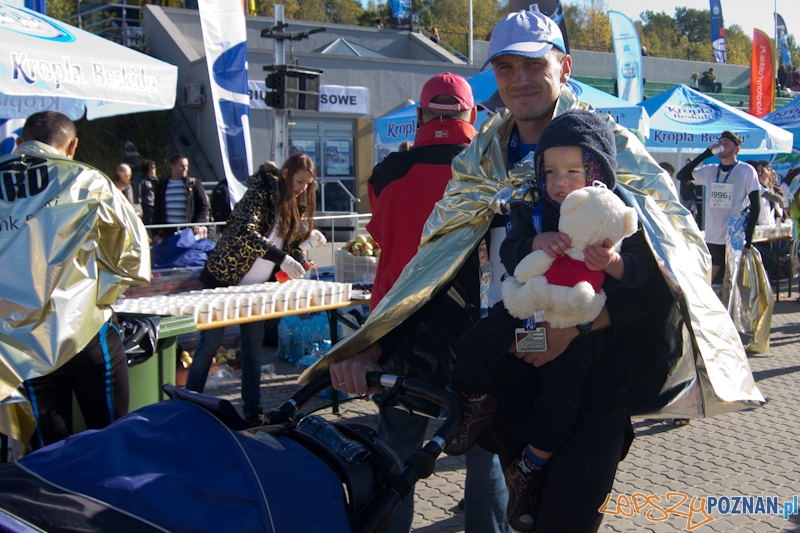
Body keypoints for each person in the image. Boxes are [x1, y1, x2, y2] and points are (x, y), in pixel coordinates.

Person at [311, 10, 746, 533]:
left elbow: (662, 270)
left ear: (563, 66)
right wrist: (376, 343)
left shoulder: (608, 149)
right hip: (512, 381)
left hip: (591, 385)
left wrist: (578, 328)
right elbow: (436, 268)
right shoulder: (480, 161)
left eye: (533, 65)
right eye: (505, 67)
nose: (519, 80)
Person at [445, 109, 660, 531]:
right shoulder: (531, 209)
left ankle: (531, 466)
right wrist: (534, 243)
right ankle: (471, 403)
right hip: (526, 324)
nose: (561, 182)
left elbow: (646, 284)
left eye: (573, 171)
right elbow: (510, 254)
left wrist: (612, 265)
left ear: (596, 172)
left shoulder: (617, 216)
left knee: (560, 405)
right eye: (551, 171)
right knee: (475, 343)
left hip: (592, 374)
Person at [330, 72, 511, 533]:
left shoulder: (387, 173)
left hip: (402, 336)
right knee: (484, 455)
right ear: (471, 114)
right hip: (479, 333)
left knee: (397, 455)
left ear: (420, 115)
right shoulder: (494, 170)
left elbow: (383, 240)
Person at [1, 111, 149, 449]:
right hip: (85, 331)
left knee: (49, 458)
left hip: (21, 346)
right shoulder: (86, 179)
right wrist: (101, 292)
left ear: (20, 142)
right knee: (111, 441)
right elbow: (133, 254)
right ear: (73, 146)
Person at [186, 154, 326, 424]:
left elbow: (286, 247)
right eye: (299, 181)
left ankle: (253, 410)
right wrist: (283, 258)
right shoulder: (260, 191)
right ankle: (190, 404)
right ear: (285, 174)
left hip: (256, 288)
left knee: (253, 349)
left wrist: (305, 245)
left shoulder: (293, 203)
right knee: (209, 346)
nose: (303, 189)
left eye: (308, 184)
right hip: (223, 281)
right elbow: (244, 233)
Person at [677, 131, 760, 284]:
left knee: (729, 281)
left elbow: (756, 206)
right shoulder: (710, 170)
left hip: (732, 235)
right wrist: (705, 154)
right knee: (712, 279)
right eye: (720, 142)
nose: (721, 146)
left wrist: (748, 240)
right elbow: (681, 176)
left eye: (726, 143)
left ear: (736, 149)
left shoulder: (747, 170)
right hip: (712, 233)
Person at [152, 153, 209, 242]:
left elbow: (204, 206)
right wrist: (155, 232)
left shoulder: (194, 184)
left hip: (188, 232)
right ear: (172, 166)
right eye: (182, 166)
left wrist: (197, 223)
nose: (185, 168)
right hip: (168, 232)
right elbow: (157, 210)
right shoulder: (161, 186)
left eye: (186, 166)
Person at [137, 159, 158, 226]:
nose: (154, 169)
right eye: (152, 167)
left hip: (155, 204)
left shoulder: (154, 179)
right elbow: (138, 194)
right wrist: (139, 209)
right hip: (146, 205)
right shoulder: (141, 180)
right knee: (148, 222)